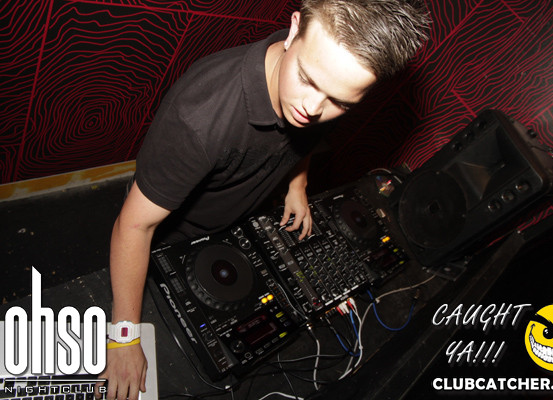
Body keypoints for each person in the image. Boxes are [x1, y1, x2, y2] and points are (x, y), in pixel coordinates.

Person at [96, 1, 430, 399]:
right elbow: (134, 226)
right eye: (307, 80)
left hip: (231, 222)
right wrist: (123, 338)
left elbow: (303, 139)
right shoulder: (198, 119)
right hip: (166, 238)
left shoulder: (322, 74)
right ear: (293, 29)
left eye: (339, 102)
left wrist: (297, 185)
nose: (312, 109)